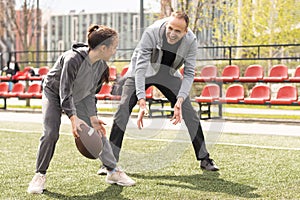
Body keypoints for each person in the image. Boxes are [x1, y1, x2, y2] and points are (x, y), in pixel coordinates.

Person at [97, 11, 219, 175]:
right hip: (140, 72)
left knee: (190, 112)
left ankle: (205, 159)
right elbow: (140, 68)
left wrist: (180, 100)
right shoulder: (152, 32)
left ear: (185, 31)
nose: (172, 33)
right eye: (170, 28)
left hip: (168, 74)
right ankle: (109, 162)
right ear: (167, 23)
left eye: (178, 31)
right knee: (122, 109)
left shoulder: (191, 41)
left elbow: (189, 73)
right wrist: (141, 98)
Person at [27, 24, 135, 194]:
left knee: (98, 130)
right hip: (54, 93)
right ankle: (39, 175)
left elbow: (90, 94)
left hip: (78, 97)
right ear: (103, 47)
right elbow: (65, 91)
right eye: (114, 47)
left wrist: (92, 118)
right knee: (50, 133)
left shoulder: (101, 66)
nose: (115, 51)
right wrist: (73, 118)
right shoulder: (72, 59)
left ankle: (113, 171)